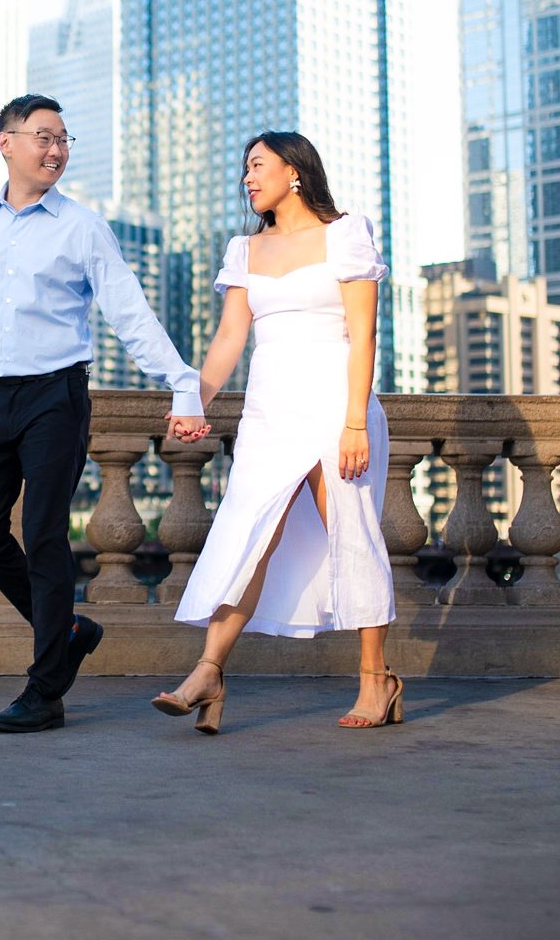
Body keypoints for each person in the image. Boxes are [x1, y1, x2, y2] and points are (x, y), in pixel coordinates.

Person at [0, 94, 207, 733]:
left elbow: (129, 313)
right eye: (43, 137)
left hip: (55, 397)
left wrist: (182, 382)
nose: (55, 149)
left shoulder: (83, 227)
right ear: (5, 142)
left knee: (46, 535)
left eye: (64, 139)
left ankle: (45, 690)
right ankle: (71, 629)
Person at [152, 131, 401, 733]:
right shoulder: (244, 249)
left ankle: (378, 681)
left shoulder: (346, 233)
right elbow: (230, 338)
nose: (247, 177)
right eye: (245, 168)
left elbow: (363, 334)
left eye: (257, 165)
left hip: (336, 405)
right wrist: (193, 399)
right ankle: (209, 671)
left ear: (295, 171)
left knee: (352, 531)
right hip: (270, 410)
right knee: (247, 531)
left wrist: (353, 421)